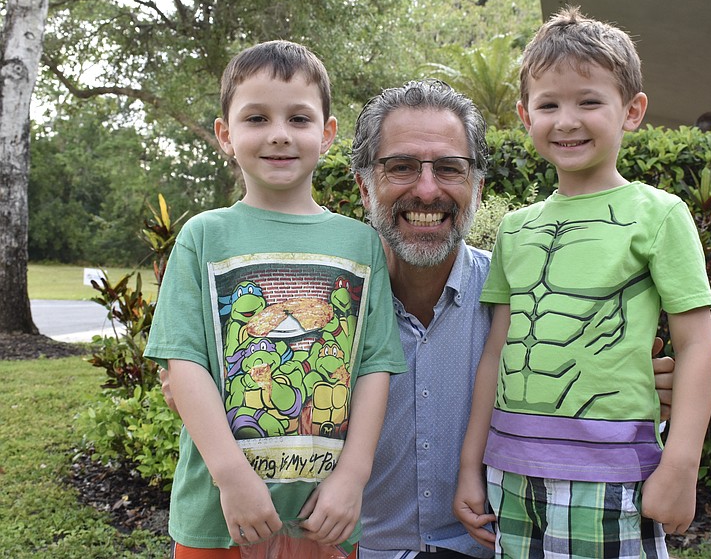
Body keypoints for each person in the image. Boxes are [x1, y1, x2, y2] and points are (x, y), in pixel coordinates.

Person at [162, 79, 676, 559]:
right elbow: (216, 371)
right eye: (402, 167)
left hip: (483, 546)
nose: (427, 191)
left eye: (450, 169)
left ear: (476, 188)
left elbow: (589, 375)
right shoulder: (328, 305)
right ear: (365, 188)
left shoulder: (521, 298)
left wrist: (628, 378)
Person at [453, 7, 711, 558]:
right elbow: (495, 352)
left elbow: (697, 346)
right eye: (548, 104)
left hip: (610, 473)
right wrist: (470, 467)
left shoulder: (659, 215)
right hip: (510, 476)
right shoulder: (515, 228)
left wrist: (682, 465)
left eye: (589, 101)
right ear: (526, 116)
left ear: (633, 111)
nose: (566, 120)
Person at [144, 40, 407, 559]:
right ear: (226, 135)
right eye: (257, 118)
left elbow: (375, 365)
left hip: (323, 518)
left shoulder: (361, 245)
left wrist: (353, 478)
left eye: (299, 118)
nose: (280, 135)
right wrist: (230, 477)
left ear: (327, 134)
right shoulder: (204, 236)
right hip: (219, 513)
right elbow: (185, 363)